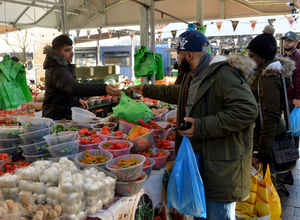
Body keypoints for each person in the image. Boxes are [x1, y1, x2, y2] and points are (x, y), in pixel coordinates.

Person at [133, 30, 258, 220]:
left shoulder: (224, 74)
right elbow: (179, 93)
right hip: (202, 160)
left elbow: (247, 110)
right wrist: (147, 89)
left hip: (221, 166)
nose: (177, 59)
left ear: (188, 55)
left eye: (179, 55)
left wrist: (200, 126)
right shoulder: (194, 75)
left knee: (218, 215)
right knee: (200, 212)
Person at [247, 26, 295, 172]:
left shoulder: (269, 77)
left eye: (252, 55)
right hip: (266, 132)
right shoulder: (262, 72)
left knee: (266, 180)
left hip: (268, 135)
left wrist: (264, 150)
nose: (249, 58)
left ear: (262, 57)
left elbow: (271, 115)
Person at [43, 35, 121, 120]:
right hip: (55, 117)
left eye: (71, 49)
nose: (72, 53)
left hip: (63, 114)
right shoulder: (56, 70)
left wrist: (77, 99)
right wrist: (103, 88)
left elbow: (65, 90)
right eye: (67, 50)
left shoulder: (64, 67)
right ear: (57, 52)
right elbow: (73, 87)